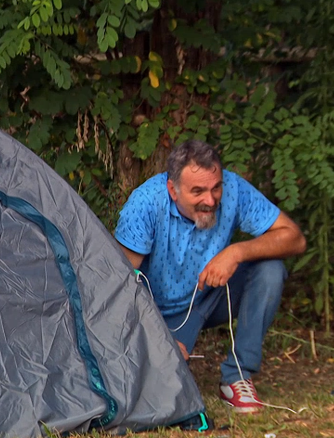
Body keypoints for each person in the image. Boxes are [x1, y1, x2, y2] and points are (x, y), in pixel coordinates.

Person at [114, 140, 306, 413]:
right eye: (198, 191)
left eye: (216, 187)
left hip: (213, 295)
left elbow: (295, 239)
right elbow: (120, 285)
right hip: (156, 313)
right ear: (173, 190)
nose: (211, 199)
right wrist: (156, 339)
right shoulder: (145, 203)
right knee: (159, 392)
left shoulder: (234, 188)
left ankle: (238, 375)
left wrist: (236, 252)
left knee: (271, 269)